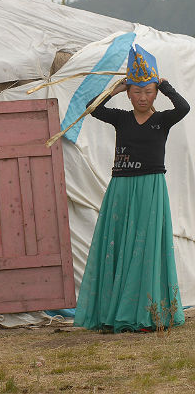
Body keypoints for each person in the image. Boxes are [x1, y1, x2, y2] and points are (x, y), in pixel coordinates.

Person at [74, 44, 190, 333]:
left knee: (145, 247)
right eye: (136, 91)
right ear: (129, 93)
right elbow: (91, 107)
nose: (142, 97)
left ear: (155, 93)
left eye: (148, 91)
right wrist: (113, 90)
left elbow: (184, 108)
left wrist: (164, 85)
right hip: (122, 188)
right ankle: (114, 312)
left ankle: (146, 314)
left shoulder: (162, 120)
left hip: (151, 187)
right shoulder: (122, 118)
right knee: (121, 244)